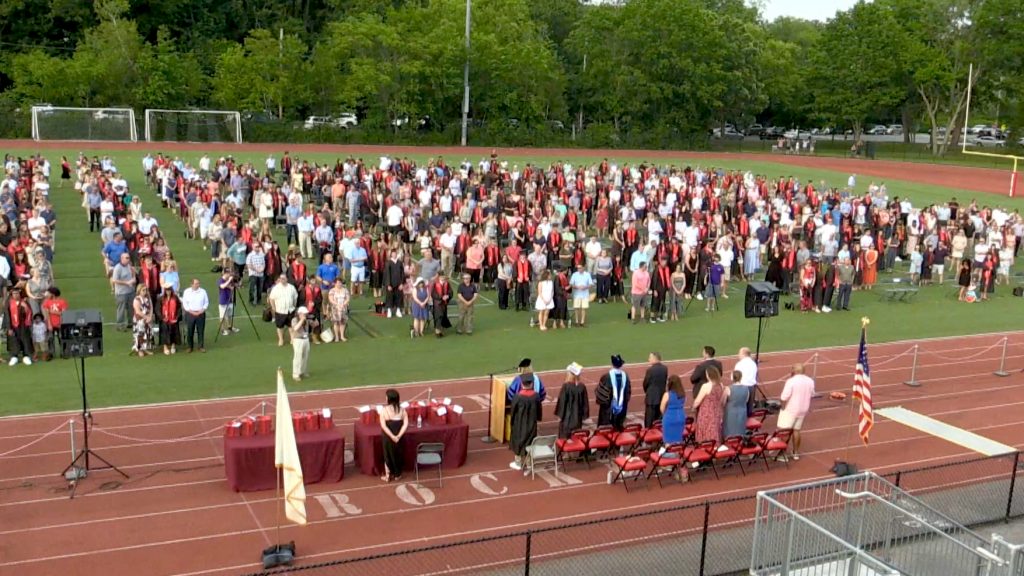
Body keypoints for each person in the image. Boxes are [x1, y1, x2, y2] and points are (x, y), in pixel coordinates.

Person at [778, 363, 816, 460]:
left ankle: (783, 454)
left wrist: (782, 408)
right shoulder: (810, 381)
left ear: (794, 370)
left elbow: (784, 397)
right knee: (797, 430)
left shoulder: (791, 381)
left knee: (784, 431)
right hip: (803, 409)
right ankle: (795, 453)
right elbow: (812, 394)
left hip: (791, 409)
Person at [508, 372, 542, 471]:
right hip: (532, 424)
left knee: (518, 441)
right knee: (530, 441)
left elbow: (513, 410)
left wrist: (513, 422)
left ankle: (518, 463)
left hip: (519, 424)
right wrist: (537, 419)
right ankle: (529, 463)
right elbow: (539, 410)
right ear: (531, 384)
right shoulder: (536, 396)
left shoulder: (517, 397)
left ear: (522, 384)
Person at [379, 389, 409, 482]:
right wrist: (398, 436)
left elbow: (383, 426)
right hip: (399, 438)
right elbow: (405, 424)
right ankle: (397, 475)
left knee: (387, 455)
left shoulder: (384, 411)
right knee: (398, 454)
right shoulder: (402, 410)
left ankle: (388, 475)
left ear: (389, 399)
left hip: (388, 438)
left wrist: (392, 436)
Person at [554, 362, 589, 439]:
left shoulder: (566, 387)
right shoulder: (582, 387)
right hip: (578, 420)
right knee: (576, 440)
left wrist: (560, 416)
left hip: (567, 420)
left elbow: (562, 402)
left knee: (564, 440)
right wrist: (584, 416)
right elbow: (585, 404)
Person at [693, 366, 725, 447]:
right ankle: (714, 449)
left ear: (709, 375)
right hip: (716, 412)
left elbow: (697, 401)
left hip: (706, 413)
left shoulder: (706, 386)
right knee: (715, 431)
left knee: (706, 431)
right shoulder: (721, 385)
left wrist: (693, 407)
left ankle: (705, 451)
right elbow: (722, 400)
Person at [596, 354, 630, 431]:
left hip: (608, 410)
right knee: (618, 427)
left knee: (606, 430)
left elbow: (601, 395)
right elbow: (628, 393)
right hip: (622, 407)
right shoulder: (626, 377)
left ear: (612, 364)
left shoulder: (606, 377)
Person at [268, 274, 298, 347]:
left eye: (284, 278)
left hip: (290, 310)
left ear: (286, 279)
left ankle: (292, 339)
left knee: (291, 326)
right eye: (281, 278)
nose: (282, 280)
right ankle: (281, 339)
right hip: (280, 311)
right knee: (280, 327)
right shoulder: (276, 288)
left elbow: (295, 297)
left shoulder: (291, 287)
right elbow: (271, 298)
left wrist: (294, 306)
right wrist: (273, 308)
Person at [5, 289, 33, 365]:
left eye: (17, 293)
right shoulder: (9, 303)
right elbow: (7, 316)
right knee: (13, 340)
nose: (16, 295)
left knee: (25, 339)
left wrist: (26, 308)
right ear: (11, 294)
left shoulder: (24, 302)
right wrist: (9, 328)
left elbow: (30, 313)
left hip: (23, 325)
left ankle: (26, 356)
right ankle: (14, 357)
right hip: (13, 325)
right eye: (14, 293)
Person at [181, 278, 209, 353]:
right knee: (190, 330)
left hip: (201, 314)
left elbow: (206, 302)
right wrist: (191, 311)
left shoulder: (203, 291)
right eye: (196, 283)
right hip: (190, 314)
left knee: (200, 330)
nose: (198, 285)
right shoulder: (187, 292)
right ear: (192, 284)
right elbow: (185, 303)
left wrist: (201, 310)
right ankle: (190, 346)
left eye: (198, 283)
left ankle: (201, 346)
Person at [642, 352, 668, 427]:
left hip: (651, 399)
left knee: (649, 420)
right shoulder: (664, 368)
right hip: (661, 397)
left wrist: (648, 392)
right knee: (659, 419)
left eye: (650, 358)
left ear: (654, 358)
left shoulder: (650, 370)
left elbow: (645, 383)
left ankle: (648, 436)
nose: (648, 359)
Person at [111, 252, 136, 331]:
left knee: (131, 308)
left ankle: (130, 323)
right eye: (127, 258)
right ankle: (120, 325)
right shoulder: (117, 268)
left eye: (129, 258)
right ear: (122, 259)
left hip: (130, 291)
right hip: (121, 293)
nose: (128, 259)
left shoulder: (129, 266)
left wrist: (133, 278)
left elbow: (132, 275)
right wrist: (126, 283)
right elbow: (114, 280)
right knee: (121, 309)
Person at [660, 375, 686, 446]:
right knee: (678, 438)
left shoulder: (667, 394)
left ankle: (670, 455)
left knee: (668, 440)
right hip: (681, 416)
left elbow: (662, 408)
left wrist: (666, 414)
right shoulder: (682, 394)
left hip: (670, 417)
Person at [723, 370, 750, 438]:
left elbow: (723, 401)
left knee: (730, 431)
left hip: (731, 413)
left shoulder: (728, 388)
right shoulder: (746, 388)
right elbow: (746, 400)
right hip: (742, 412)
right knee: (740, 430)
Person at [733, 347, 759, 415]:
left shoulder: (739, 364)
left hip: (741, 388)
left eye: (739, 353)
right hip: (751, 388)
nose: (738, 355)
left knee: (740, 409)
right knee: (749, 409)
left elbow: (735, 376)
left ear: (743, 354)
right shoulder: (753, 364)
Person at [131, 284, 154, 357]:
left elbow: (151, 308)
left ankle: (145, 348)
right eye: (143, 290)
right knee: (139, 334)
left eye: (146, 290)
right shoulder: (136, 299)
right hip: (139, 320)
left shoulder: (148, 298)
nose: (145, 292)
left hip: (147, 319)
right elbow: (138, 311)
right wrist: (146, 317)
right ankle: (139, 349)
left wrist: (150, 316)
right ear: (139, 291)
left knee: (146, 334)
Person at [159, 285, 182, 355]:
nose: (168, 292)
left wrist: (177, 317)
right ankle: (165, 347)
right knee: (164, 332)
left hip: (173, 319)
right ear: (165, 291)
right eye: (166, 291)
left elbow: (179, 308)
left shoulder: (175, 298)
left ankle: (173, 346)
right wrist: (162, 317)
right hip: (164, 319)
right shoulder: (161, 299)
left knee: (174, 332)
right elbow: (158, 309)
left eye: (169, 290)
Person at [290, 306, 311, 382]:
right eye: (304, 314)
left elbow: (314, 324)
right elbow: (295, 328)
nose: (306, 315)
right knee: (297, 357)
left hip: (306, 339)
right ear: (300, 314)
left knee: (305, 356)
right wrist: (302, 320)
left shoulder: (307, 320)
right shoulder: (294, 320)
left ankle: (302, 371)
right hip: (298, 340)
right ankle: (296, 374)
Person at [569, 263, 593, 327]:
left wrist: (585, 287)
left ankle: (582, 322)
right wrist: (577, 287)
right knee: (576, 308)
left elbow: (591, 284)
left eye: (580, 268)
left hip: (585, 294)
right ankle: (577, 321)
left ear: (583, 268)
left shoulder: (587, 275)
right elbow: (571, 284)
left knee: (583, 308)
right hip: (577, 294)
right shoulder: (574, 274)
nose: (578, 269)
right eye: (578, 268)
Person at [217, 269, 240, 336]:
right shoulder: (220, 280)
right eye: (229, 273)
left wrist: (234, 283)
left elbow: (233, 288)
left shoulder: (229, 280)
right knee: (222, 317)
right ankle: (223, 330)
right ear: (225, 273)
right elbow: (222, 286)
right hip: (223, 301)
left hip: (230, 300)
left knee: (230, 315)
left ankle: (230, 326)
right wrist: (229, 280)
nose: (230, 274)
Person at [327, 278, 350, 343]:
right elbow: (331, 299)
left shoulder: (345, 290)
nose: (339, 284)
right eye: (338, 283)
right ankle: (337, 337)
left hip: (343, 308)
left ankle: (342, 336)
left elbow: (347, 298)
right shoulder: (332, 290)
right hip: (335, 309)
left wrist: (343, 304)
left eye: (340, 283)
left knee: (342, 322)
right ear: (335, 283)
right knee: (336, 323)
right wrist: (337, 305)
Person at [430, 271, 452, 337]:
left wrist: (448, 296)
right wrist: (441, 297)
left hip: (444, 304)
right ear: (439, 277)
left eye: (444, 276)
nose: (443, 277)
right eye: (441, 276)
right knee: (438, 317)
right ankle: (437, 332)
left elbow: (450, 292)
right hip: (437, 304)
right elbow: (433, 294)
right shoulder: (435, 284)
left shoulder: (447, 284)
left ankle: (440, 331)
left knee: (443, 316)